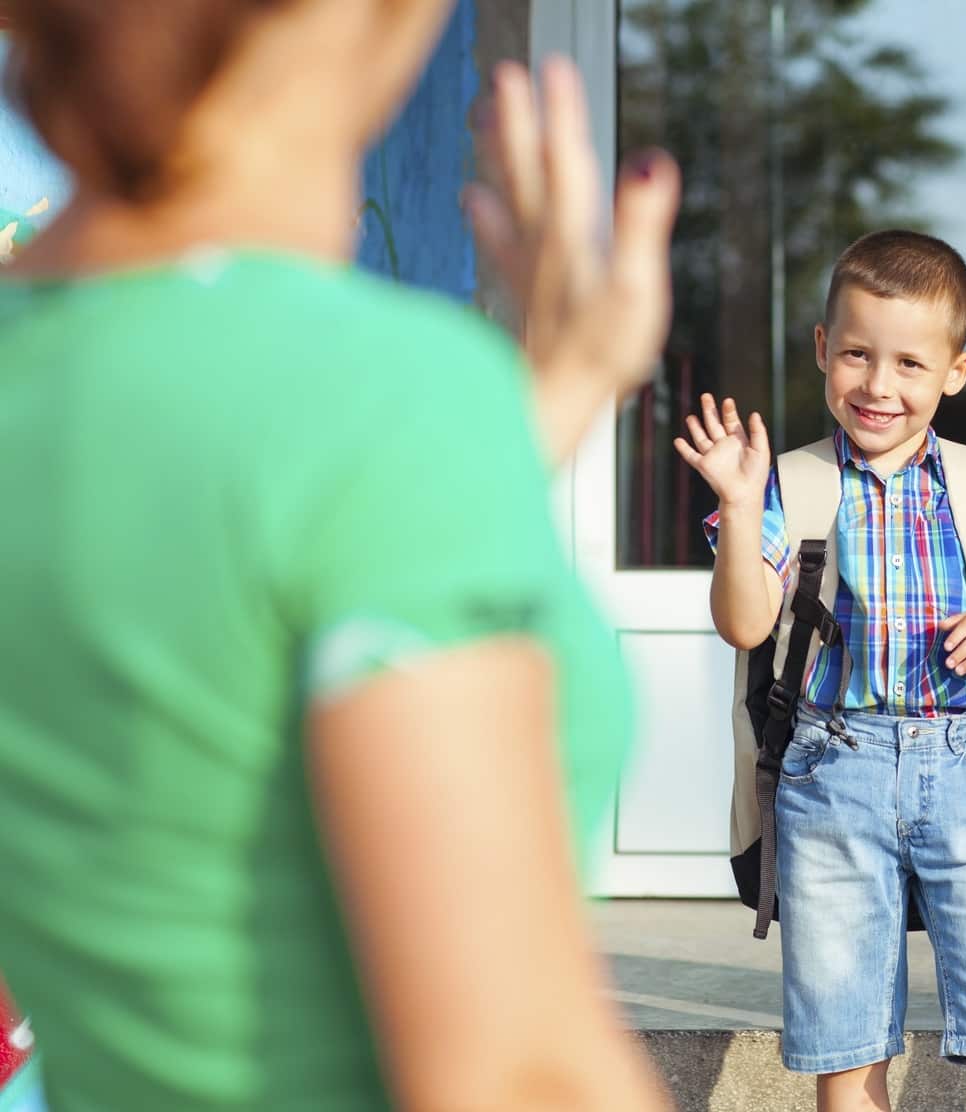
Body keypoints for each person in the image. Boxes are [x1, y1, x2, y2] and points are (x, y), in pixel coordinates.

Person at [0, 1, 679, 1108]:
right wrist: (440, 431)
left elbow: (201, 583)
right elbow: (516, 1076)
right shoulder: (381, 406)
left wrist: (536, 409)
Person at [676, 230, 966, 1112]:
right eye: (859, 354)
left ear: (955, 371)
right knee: (848, 1043)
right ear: (824, 349)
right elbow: (743, 622)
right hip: (830, 776)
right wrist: (738, 500)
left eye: (911, 363)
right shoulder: (785, 487)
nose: (879, 385)